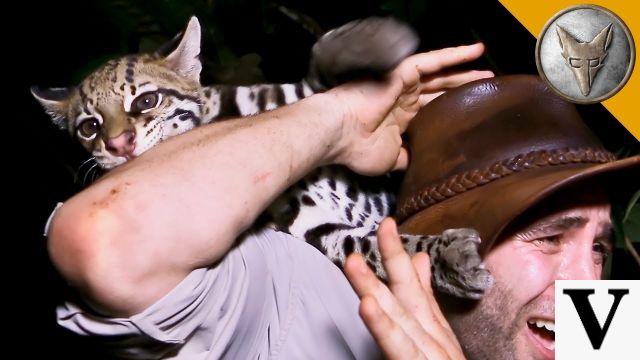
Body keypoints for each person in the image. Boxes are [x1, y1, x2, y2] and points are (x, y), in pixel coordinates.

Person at [47, 43, 494, 359]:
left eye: (144, 102)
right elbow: (102, 236)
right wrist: (336, 122)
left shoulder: (565, 321)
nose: (119, 136)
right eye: (92, 128)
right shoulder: (246, 273)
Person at [344, 75, 639, 360]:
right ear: (437, 251)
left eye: (598, 247)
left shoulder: (604, 341)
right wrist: (326, 123)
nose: (589, 284)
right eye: (550, 238)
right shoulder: (315, 313)